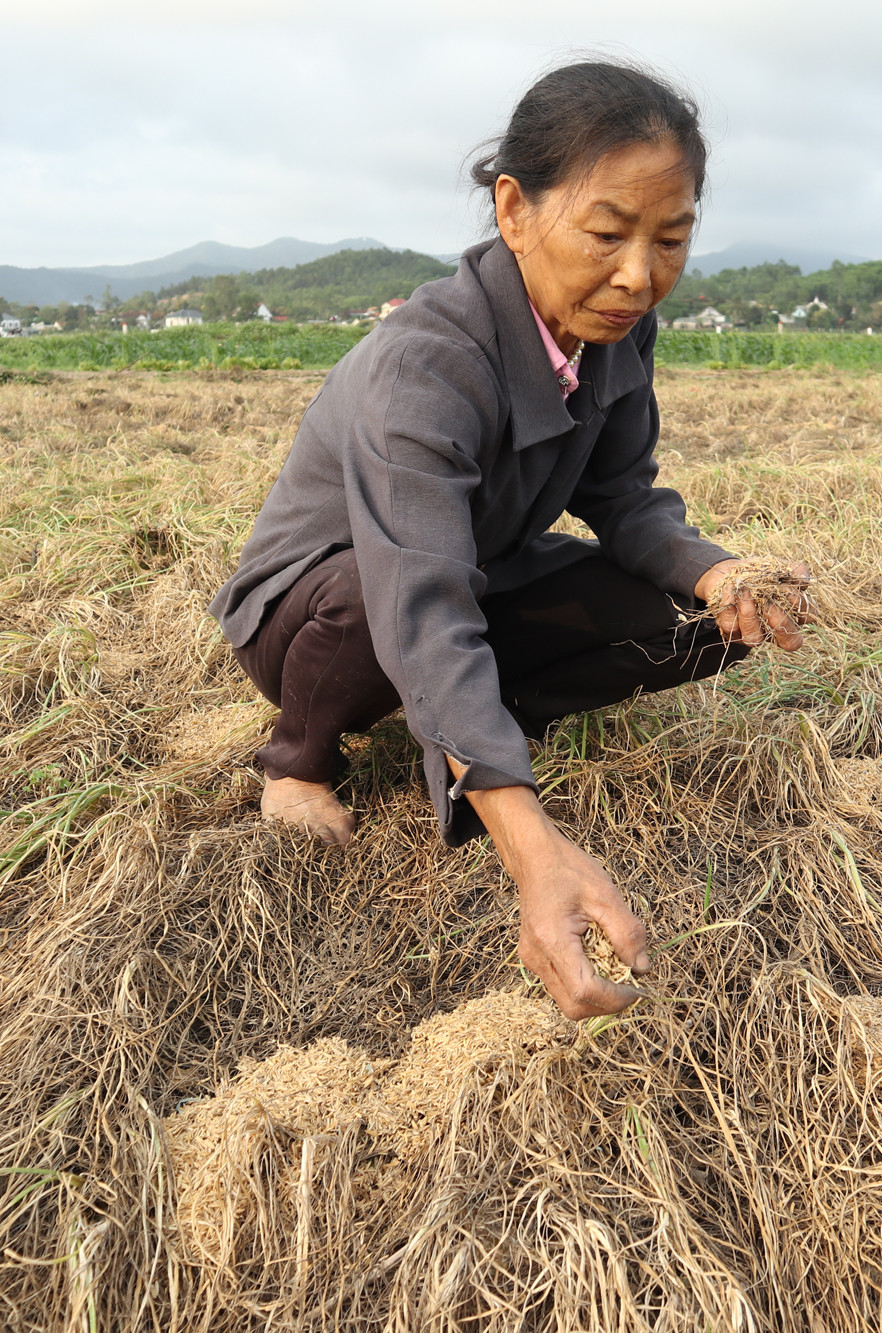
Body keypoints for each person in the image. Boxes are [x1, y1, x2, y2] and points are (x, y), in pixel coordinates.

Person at [208, 60, 810, 1019]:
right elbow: (420, 593)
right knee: (378, 596)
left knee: (700, 626)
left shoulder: (614, 331)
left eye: (672, 238)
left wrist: (719, 572)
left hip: (470, 579)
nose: (638, 276)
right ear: (514, 209)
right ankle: (300, 759)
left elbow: (627, 501)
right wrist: (533, 847)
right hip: (323, 613)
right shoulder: (429, 360)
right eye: (608, 233)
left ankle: (474, 722)